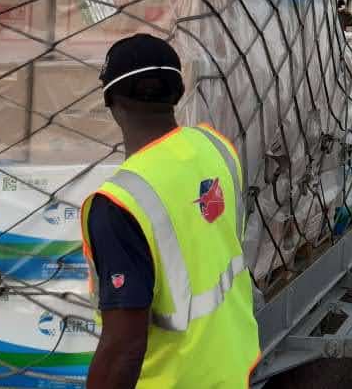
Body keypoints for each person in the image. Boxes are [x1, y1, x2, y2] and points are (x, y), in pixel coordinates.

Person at [82, 34, 260, 389]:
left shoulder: (119, 202)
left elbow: (124, 347)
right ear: (177, 94)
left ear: (111, 100)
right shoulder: (215, 147)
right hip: (232, 369)